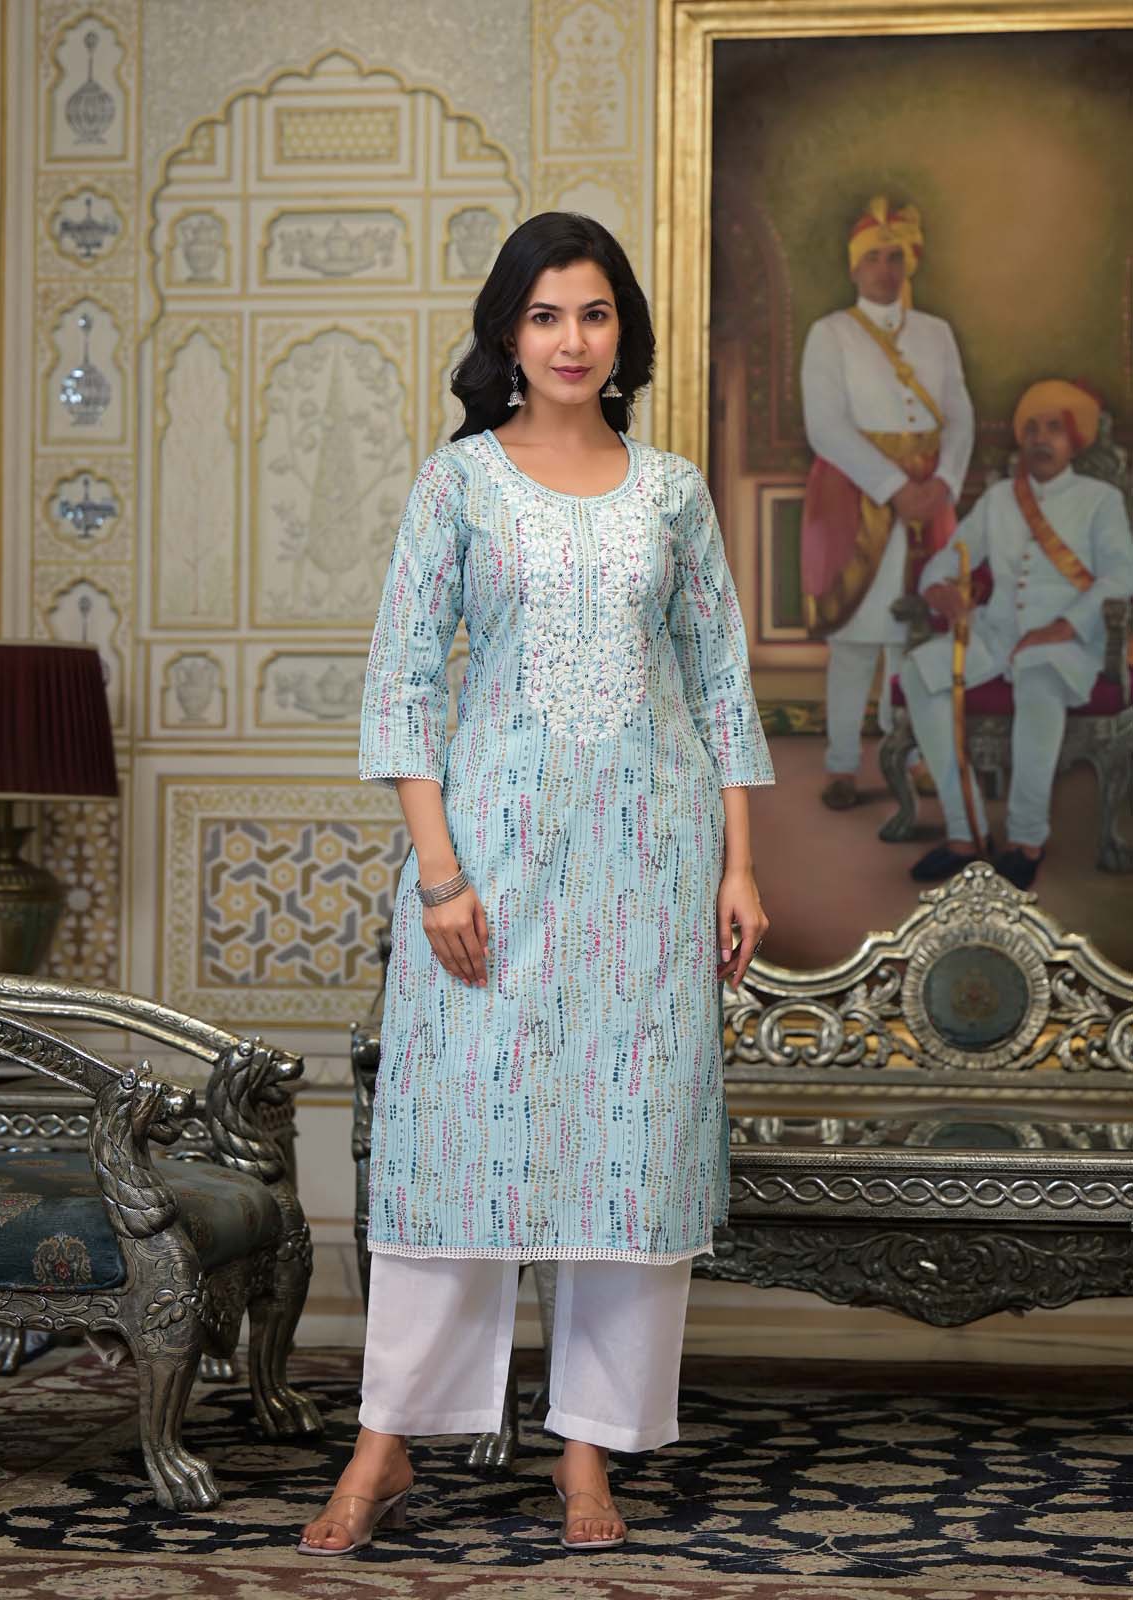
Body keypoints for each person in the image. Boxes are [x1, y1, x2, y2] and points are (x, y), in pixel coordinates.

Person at [297, 212, 774, 1558]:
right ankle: (386, 1442)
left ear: (624, 332)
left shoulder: (671, 491)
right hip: (490, 869)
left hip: (650, 866)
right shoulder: (457, 483)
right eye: (547, 314)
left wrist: (738, 865)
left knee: (630, 1150)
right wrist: (438, 877)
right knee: (457, 1143)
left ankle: (587, 1453)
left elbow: (719, 684)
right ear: (508, 332)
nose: (573, 340)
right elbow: (401, 686)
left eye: (595, 313)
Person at [901, 378, 1133, 888]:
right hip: (996, 633)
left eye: (1054, 429)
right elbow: (951, 556)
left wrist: (1065, 625)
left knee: (1037, 678)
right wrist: (939, 588)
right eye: (1032, 429)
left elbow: (1121, 575)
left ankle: (1027, 839)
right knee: (919, 671)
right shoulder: (1000, 498)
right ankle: (965, 832)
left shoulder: (1100, 499)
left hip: (1069, 640)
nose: (1040, 439)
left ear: (1075, 441)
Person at [800, 195, 975, 810]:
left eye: (894, 257)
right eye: (873, 258)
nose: (884, 269)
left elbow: (959, 414)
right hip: (856, 496)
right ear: (854, 267)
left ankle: (919, 756)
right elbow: (825, 426)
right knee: (855, 640)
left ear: (909, 264)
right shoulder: (831, 334)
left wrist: (943, 483)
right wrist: (895, 488)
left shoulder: (936, 334)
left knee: (917, 637)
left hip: (931, 498)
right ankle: (843, 763)